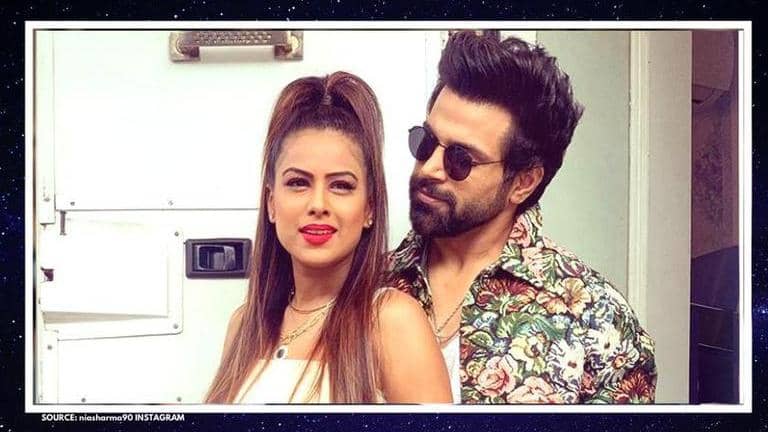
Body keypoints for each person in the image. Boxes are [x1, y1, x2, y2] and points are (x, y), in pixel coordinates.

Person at [385, 31, 657, 404]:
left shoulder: (596, 319)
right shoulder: (366, 283)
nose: (430, 168)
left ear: (523, 182)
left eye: (461, 160)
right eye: (426, 142)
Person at [206, 71, 451, 404]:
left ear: (369, 208)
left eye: (341, 186)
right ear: (272, 203)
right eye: (298, 183)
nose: (318, 204)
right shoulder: (243, 325)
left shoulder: (391, 322)